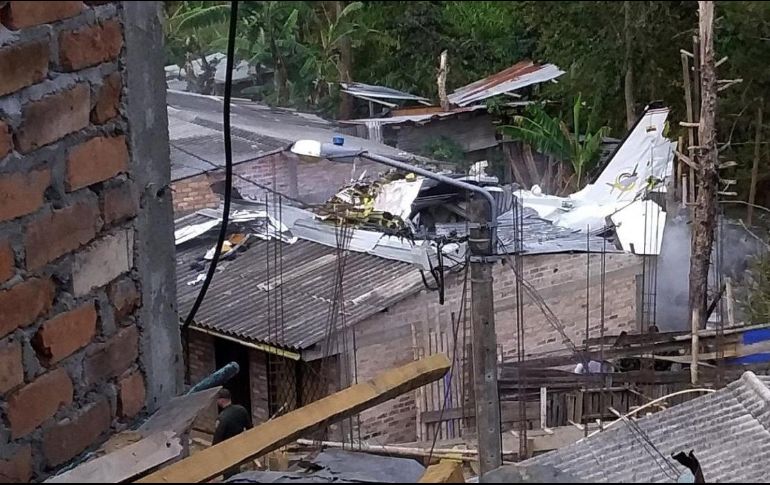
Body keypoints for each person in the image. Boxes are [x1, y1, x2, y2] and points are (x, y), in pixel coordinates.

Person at [212, 389, 252, 479]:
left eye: (217, 399)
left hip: (227, 451)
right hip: (241, 446)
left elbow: (217, 439)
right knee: (239, 469)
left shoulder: (222, 417)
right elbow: (250, 428)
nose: (217, 402)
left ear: (221, 400)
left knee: (230, 474)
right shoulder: (241, 410)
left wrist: (213, 454)